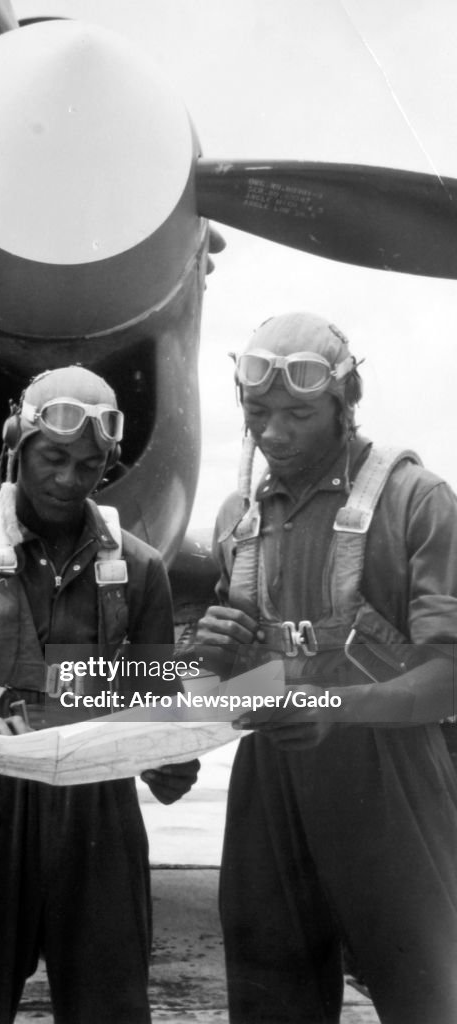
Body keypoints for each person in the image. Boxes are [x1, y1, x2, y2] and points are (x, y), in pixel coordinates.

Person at [0, 365, 201, 1024]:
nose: (69, 477)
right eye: (52, 456)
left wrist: (173, 758)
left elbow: (158, 699)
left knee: (111, 1011)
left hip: (98, 819)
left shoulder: (139, 568)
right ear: (16, 446)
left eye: (89, 463)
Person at [195, 312, 457, 1024]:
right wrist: (214, 651)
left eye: (299, 414)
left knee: (427, 999)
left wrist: (334, 707)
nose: (274, 434)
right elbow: (227, 674)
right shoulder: (237, 517)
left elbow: (447, 676)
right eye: (257, 414)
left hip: (391, 779)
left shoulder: (416, 501)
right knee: (268, 1002)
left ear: (347, 403)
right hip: (269, 781)